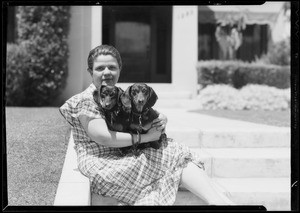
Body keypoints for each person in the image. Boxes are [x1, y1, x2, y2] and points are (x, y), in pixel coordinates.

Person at [59, 44, 235, 205]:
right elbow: (104, 138)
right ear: (90, 71)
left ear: (120, 69)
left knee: (173, 151)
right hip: (101, 163)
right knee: (176, 154)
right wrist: (146, 137)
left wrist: (161, 118)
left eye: (112, 67)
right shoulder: (86, 99)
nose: (107, 72)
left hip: (122, 155)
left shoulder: (120, 95)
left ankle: (220, 202)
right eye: (100, 68)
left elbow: (141, 115)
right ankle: (219, 203)